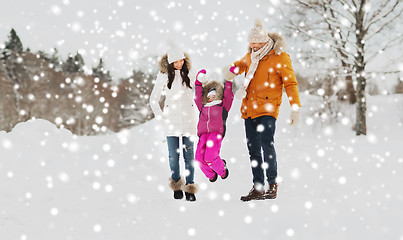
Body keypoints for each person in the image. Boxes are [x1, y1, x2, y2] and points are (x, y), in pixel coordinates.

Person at [223, 19, 302, 201]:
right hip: (249, 109)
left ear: (265, 41)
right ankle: (258, 187)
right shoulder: (251, 55)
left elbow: (290, 84)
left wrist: (295, 108)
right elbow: (239, 65)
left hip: (268, 109)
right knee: (253, 150)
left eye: (257, 43)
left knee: (267, 144)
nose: (254, 46)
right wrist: (230, 70)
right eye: (251, 43)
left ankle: (272, 184)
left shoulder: (280, 57)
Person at [149, 43, 198, 201]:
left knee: (189, 157)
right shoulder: (163, 76)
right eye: (175, 61)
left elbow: (201, 91)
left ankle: (190, 188)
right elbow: (153, 100)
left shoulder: (190, 74)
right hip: (171, 122)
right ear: (170, 63)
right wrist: (161, 118)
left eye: (181, 60)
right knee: (173, 157)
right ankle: (176, 185)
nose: (179, 64)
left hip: (188, 121)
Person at [193, 69, 234, 182]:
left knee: (210, 157)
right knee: (198, 159)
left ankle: (223, 171)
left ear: (218, 95)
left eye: (213, 95)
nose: (211, 98)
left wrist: (229, 80)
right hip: (203, 135)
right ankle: (211, 175)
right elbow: (197, 95)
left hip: (215, 133)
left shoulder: (222, 106)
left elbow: (228, 95)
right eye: (209, 96)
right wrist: (198, 82)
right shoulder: (203, 106)